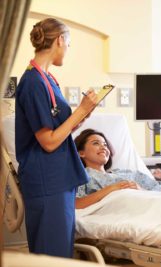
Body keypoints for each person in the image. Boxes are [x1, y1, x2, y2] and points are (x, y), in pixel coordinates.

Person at [15, 18, 98, 257]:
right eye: (68, 44)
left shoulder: (48, 79)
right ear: (60, 40)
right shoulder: (32, 82)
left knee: (62, 254)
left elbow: (56, 131)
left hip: (59, 180)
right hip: (47, 181)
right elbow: (48, 141)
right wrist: (80, 110)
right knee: (52, 257)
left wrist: (79, 119)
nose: (68, 50)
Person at [73, 129, 161, 209]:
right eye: (96, 143)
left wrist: (140, 190)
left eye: (105, 144)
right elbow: (76, 204)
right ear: (81, 153)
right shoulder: (81, 176)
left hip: (146, 205)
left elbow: (159, 194)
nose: (103, 147)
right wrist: (110, 189)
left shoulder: (126, 173)